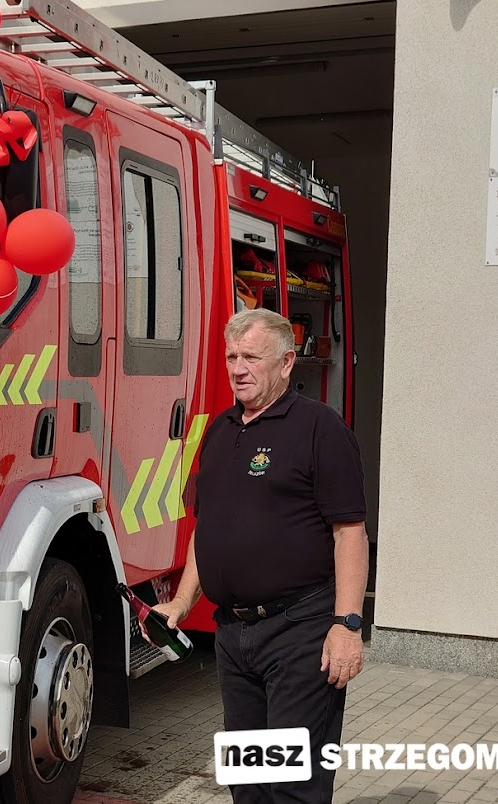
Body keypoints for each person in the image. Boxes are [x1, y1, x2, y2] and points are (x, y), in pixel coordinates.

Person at [155, 308, 369, 804]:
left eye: (251, 356)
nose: (238, 367)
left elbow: (349, 532)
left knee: (293, 783)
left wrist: (348, 623)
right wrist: (181, 605)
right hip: (234, 638)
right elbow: (205, 530)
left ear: (287, 362)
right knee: (247, 781)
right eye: (231, 356)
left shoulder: (320, 427)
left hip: (299, 633)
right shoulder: (221, 429)